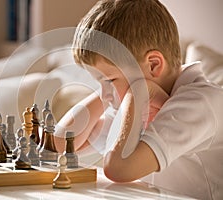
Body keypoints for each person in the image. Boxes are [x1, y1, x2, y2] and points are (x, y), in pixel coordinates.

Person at [54, 0, 223, 199]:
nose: (105, 93)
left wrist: (137, 92)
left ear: (153, 65)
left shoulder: (200, 103)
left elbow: (119, 169)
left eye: (109, 80)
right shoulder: (137, 108)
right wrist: (106, 94)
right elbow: (58, 145)